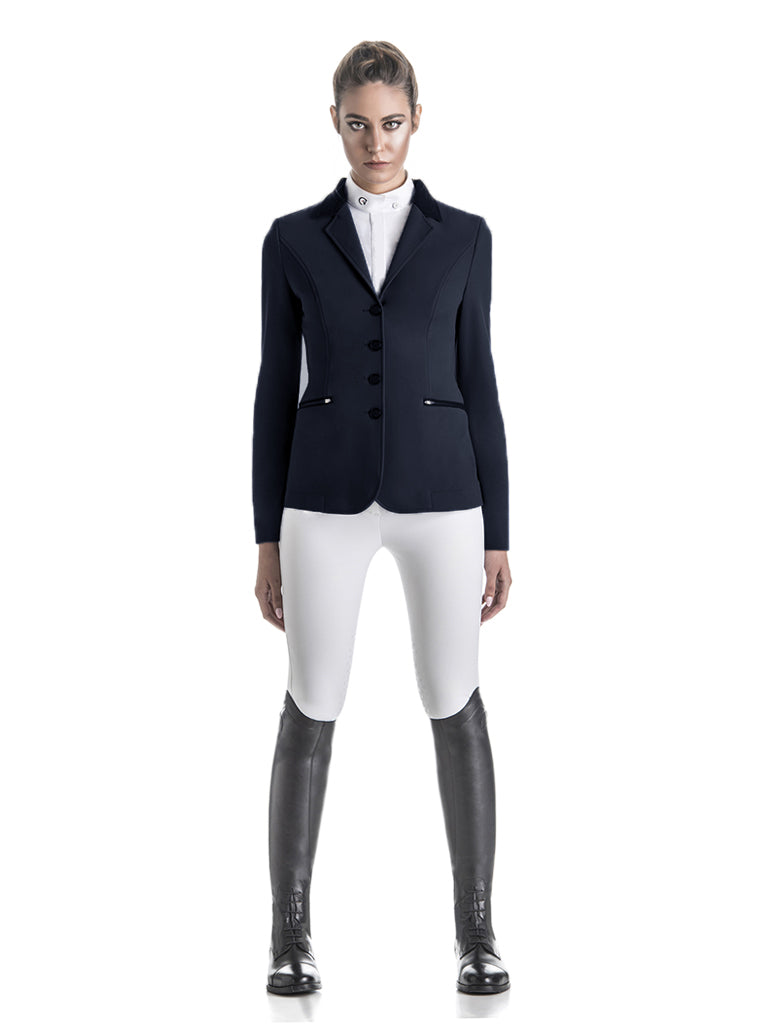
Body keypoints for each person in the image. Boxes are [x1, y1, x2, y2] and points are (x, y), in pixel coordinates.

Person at [252, 40, 512, 997]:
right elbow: (275, 388)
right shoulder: (291, 239)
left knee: (455, 699)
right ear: (336, 122)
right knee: (311, 701)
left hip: (444, 497)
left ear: (416, 121)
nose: (376, 141)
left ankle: (477, 933)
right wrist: (265, 535)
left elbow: (480, 379)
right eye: (358, 123)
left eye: (391, 123)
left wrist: (499, 531)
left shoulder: (466, 237)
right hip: (322, 500)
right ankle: (289, 937)